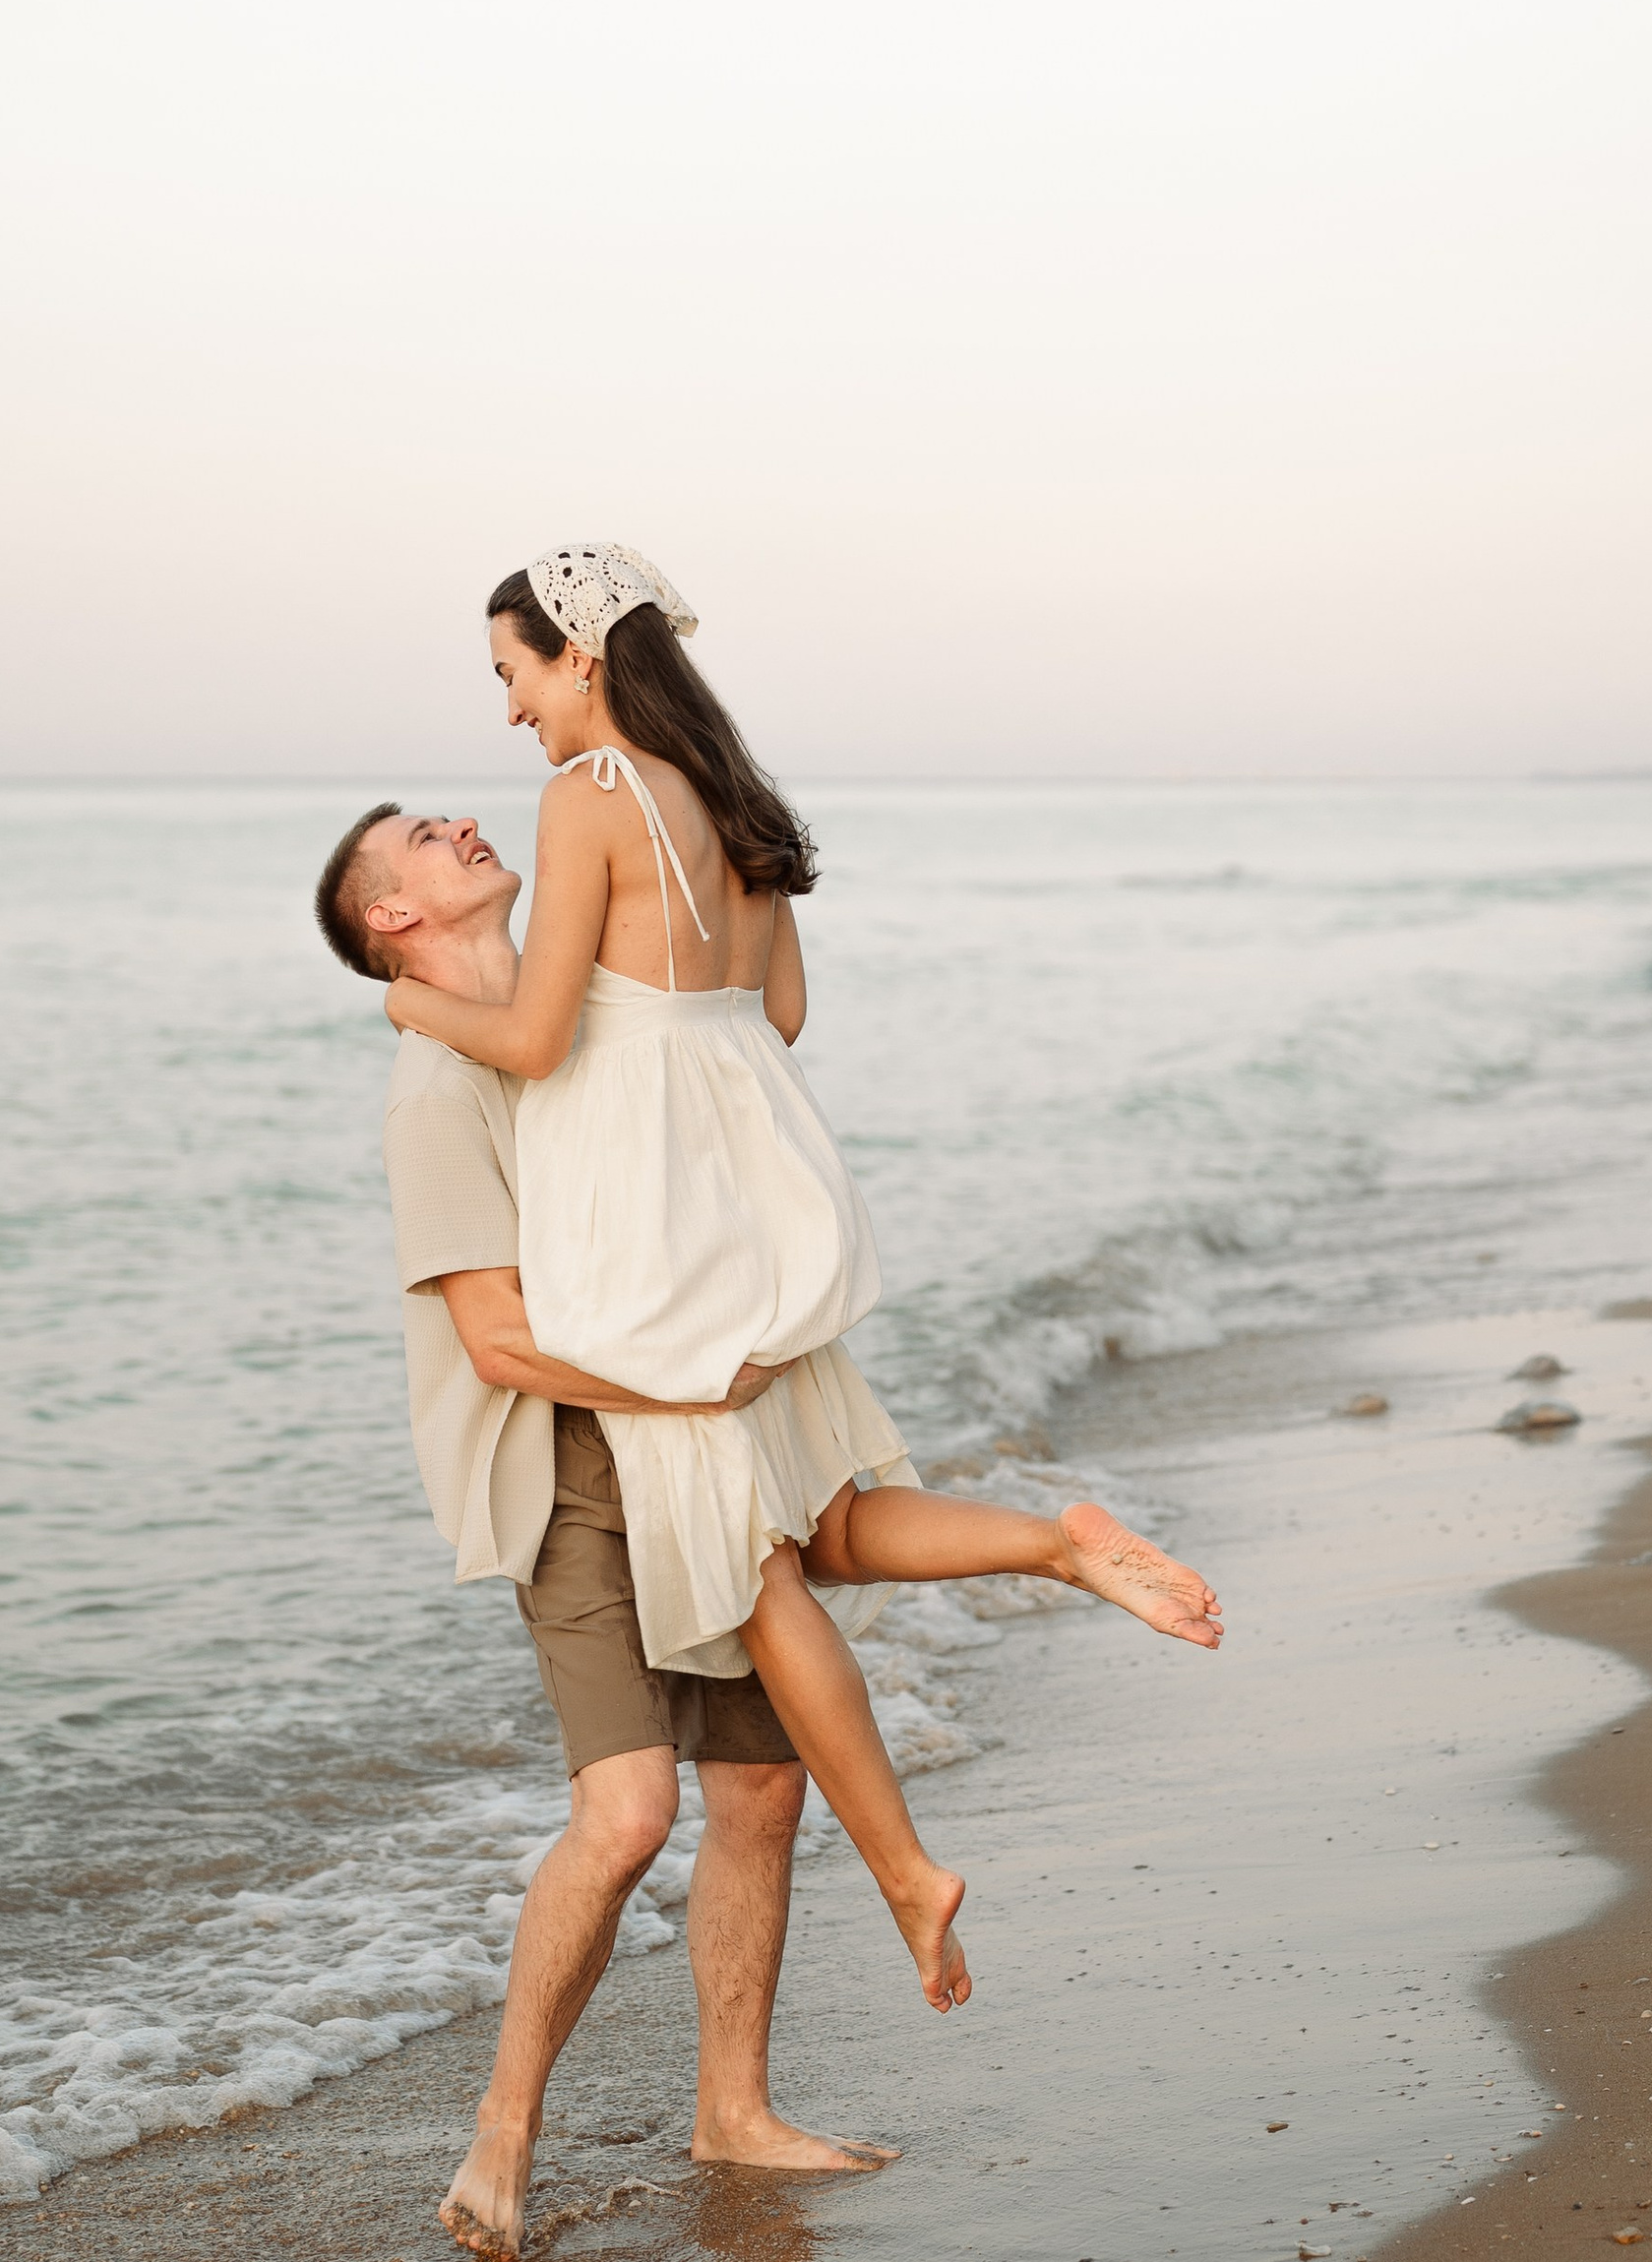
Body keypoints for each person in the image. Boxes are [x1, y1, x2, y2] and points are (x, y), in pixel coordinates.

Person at [365, 545, 1222, 2025]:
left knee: (750, 1569)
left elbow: (542, 1038)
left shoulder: (591, 798)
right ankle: (1054, 1544)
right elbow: (785, 1011)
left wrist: (402, 994)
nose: (512, 715)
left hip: (650, 1223)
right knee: (820, 1513)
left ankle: (903, 1870)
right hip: (757, 1184)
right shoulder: (730, 797)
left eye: (512, 675)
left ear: (576, 655)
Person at [317, 795, 892, 2262]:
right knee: (631, 1812)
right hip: (574, 1465)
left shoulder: (582, 1011)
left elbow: (748, 1028)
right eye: (421, 841)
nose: (460, 821)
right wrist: (699, 1373)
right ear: (395, 922)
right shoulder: (438, 1087)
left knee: (761, 1794)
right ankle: (501, 2136)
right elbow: (501, 1344)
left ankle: (736, 2110)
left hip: (694, 1450)